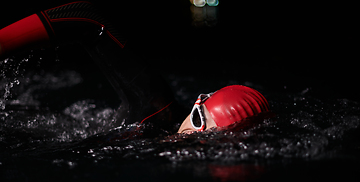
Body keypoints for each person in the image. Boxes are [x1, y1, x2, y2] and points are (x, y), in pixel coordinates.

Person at [0, 1, 270, 134]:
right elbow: (88, 19)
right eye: (198, 120)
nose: (188, 141)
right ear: (196, 103)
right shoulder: (156, 108)